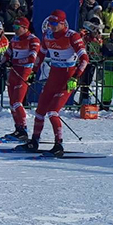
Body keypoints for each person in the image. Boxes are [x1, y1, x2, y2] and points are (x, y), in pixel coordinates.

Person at [16, 10, 88, 157]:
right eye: (50, 23)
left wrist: (75, 77)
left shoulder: (72, 36)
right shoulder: (47, 35)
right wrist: (33, 71)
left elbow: (85, 59)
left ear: (63, 23)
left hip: (67, 78)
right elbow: (41, 54)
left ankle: (58, 144)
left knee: (53, 112)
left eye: (55, 23)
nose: (52, 26)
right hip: (53, 76)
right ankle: (34, 141)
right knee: (40, 111)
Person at [1, 17, 40, 140]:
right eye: (14, 28)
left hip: (24, 71)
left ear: (25, 27)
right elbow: (8, 53)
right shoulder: (14, 39)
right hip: (14, 71)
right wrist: (3, 63)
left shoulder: (33, 39)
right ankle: (18, 128)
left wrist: (14, 61)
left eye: (17, 28)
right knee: (12, 103)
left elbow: (31, 58)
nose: (15, 30)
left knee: (18, 102)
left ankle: (24, 129)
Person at [78, 18, 103, 105]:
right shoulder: (84, 34)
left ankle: (85, 99)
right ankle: (83, 99)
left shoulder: (97, 36)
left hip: (93, 61)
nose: (95, 30)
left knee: (88, 81)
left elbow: (100, 45)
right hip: (83, 60)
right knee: (82, 82)